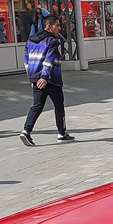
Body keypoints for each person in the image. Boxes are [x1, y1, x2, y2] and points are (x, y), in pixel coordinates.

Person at [20, 15, 73, 146]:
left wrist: (32, 79)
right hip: (51, 79)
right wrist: (44, 77)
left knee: (37, 106)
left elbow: (27, 61)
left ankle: (26, 131)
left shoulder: (30, 41)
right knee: (59, 106)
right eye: (57, 25)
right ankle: (62, 133)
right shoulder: (51, 41)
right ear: (49, 26)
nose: (59, 28)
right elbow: (49, 60)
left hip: (36, 79)